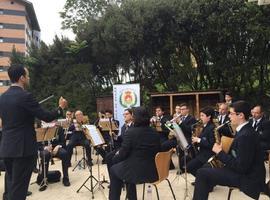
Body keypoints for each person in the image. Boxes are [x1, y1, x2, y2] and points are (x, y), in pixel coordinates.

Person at [0, 64, 67, 200]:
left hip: (7, 147)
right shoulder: (25, 96)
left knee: (12, 185)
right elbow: (46, 116)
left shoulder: (2, 97)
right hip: (23, 149)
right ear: (21, 78)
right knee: (19, 191)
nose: (29, 78)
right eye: (27, 75)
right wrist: (60, 108)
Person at [193, 101, 266, 200]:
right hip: (245, 173)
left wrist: (220, 153)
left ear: (241, 115)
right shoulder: (244, 130)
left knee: (202, 174)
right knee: (205, 168)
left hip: (248, 178)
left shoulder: (245, 135)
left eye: (231, 114)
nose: (229, 117)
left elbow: (241, 167)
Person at [109, 107, 160, 200]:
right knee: (126, 166)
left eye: (133, 116)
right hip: (154, 171)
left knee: (113, 169)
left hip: (139, 172)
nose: (132, 118)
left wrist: (115, 158)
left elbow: (122, 154)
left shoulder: (131, 132)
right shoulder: (155, 132)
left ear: (136, 118)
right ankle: (132, 197)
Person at [180, 107, 215, 177]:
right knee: (186, 163)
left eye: (202, 116)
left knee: (189, 167)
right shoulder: (205, 126)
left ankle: (205, 180)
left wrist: (198, 140)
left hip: (206, 155)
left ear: (209, 117)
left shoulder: (212, 128)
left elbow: (211, 145)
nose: (200, 118)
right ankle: (202, 179)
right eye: (200, 115)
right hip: (201, 153)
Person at [37, 126, 70, 191]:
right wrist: (45, 148)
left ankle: (66, 178)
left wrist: (58, 146)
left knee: (65, 153)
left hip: (56, 148)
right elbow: (38, 144)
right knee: (45, 155)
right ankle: (44, 180)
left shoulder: (59, 128)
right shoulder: (41, 129)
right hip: (46, 149)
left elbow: (63, 141)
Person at [106, 108, 134, 182]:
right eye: (124, 114)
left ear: (132, 115)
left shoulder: (135, 126)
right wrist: (114, 136)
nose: (124, 116)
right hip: (122, 148)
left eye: (127, 114)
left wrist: (120, 151)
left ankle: (120, 179)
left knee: (115, 158)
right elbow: (121, 138)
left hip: (130, 150)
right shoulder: (123, 127)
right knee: (108, 157)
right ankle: (113, 180)